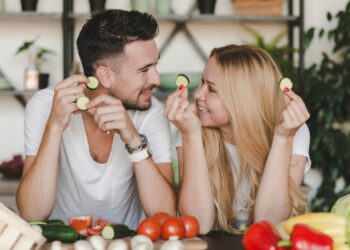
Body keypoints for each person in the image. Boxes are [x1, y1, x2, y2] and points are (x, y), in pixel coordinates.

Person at [16, 9, 176, 229]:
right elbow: (31, 213)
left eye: (155, 65)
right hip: (64, 243)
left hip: (131, 243)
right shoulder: (44, 105)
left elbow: (165, 214)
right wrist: (54, 127)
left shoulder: (151, 112)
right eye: (145, 69)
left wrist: (134, 141)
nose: (156, 79)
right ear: (105, 76)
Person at [165, 45, 311, 234]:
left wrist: (283, 139)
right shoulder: (188, 126)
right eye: (202, 83)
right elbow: (198, 223)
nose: (197, 94)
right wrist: (190, 136)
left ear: (242, 99)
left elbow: (270, 224)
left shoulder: (293, 130)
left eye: (211, 89)